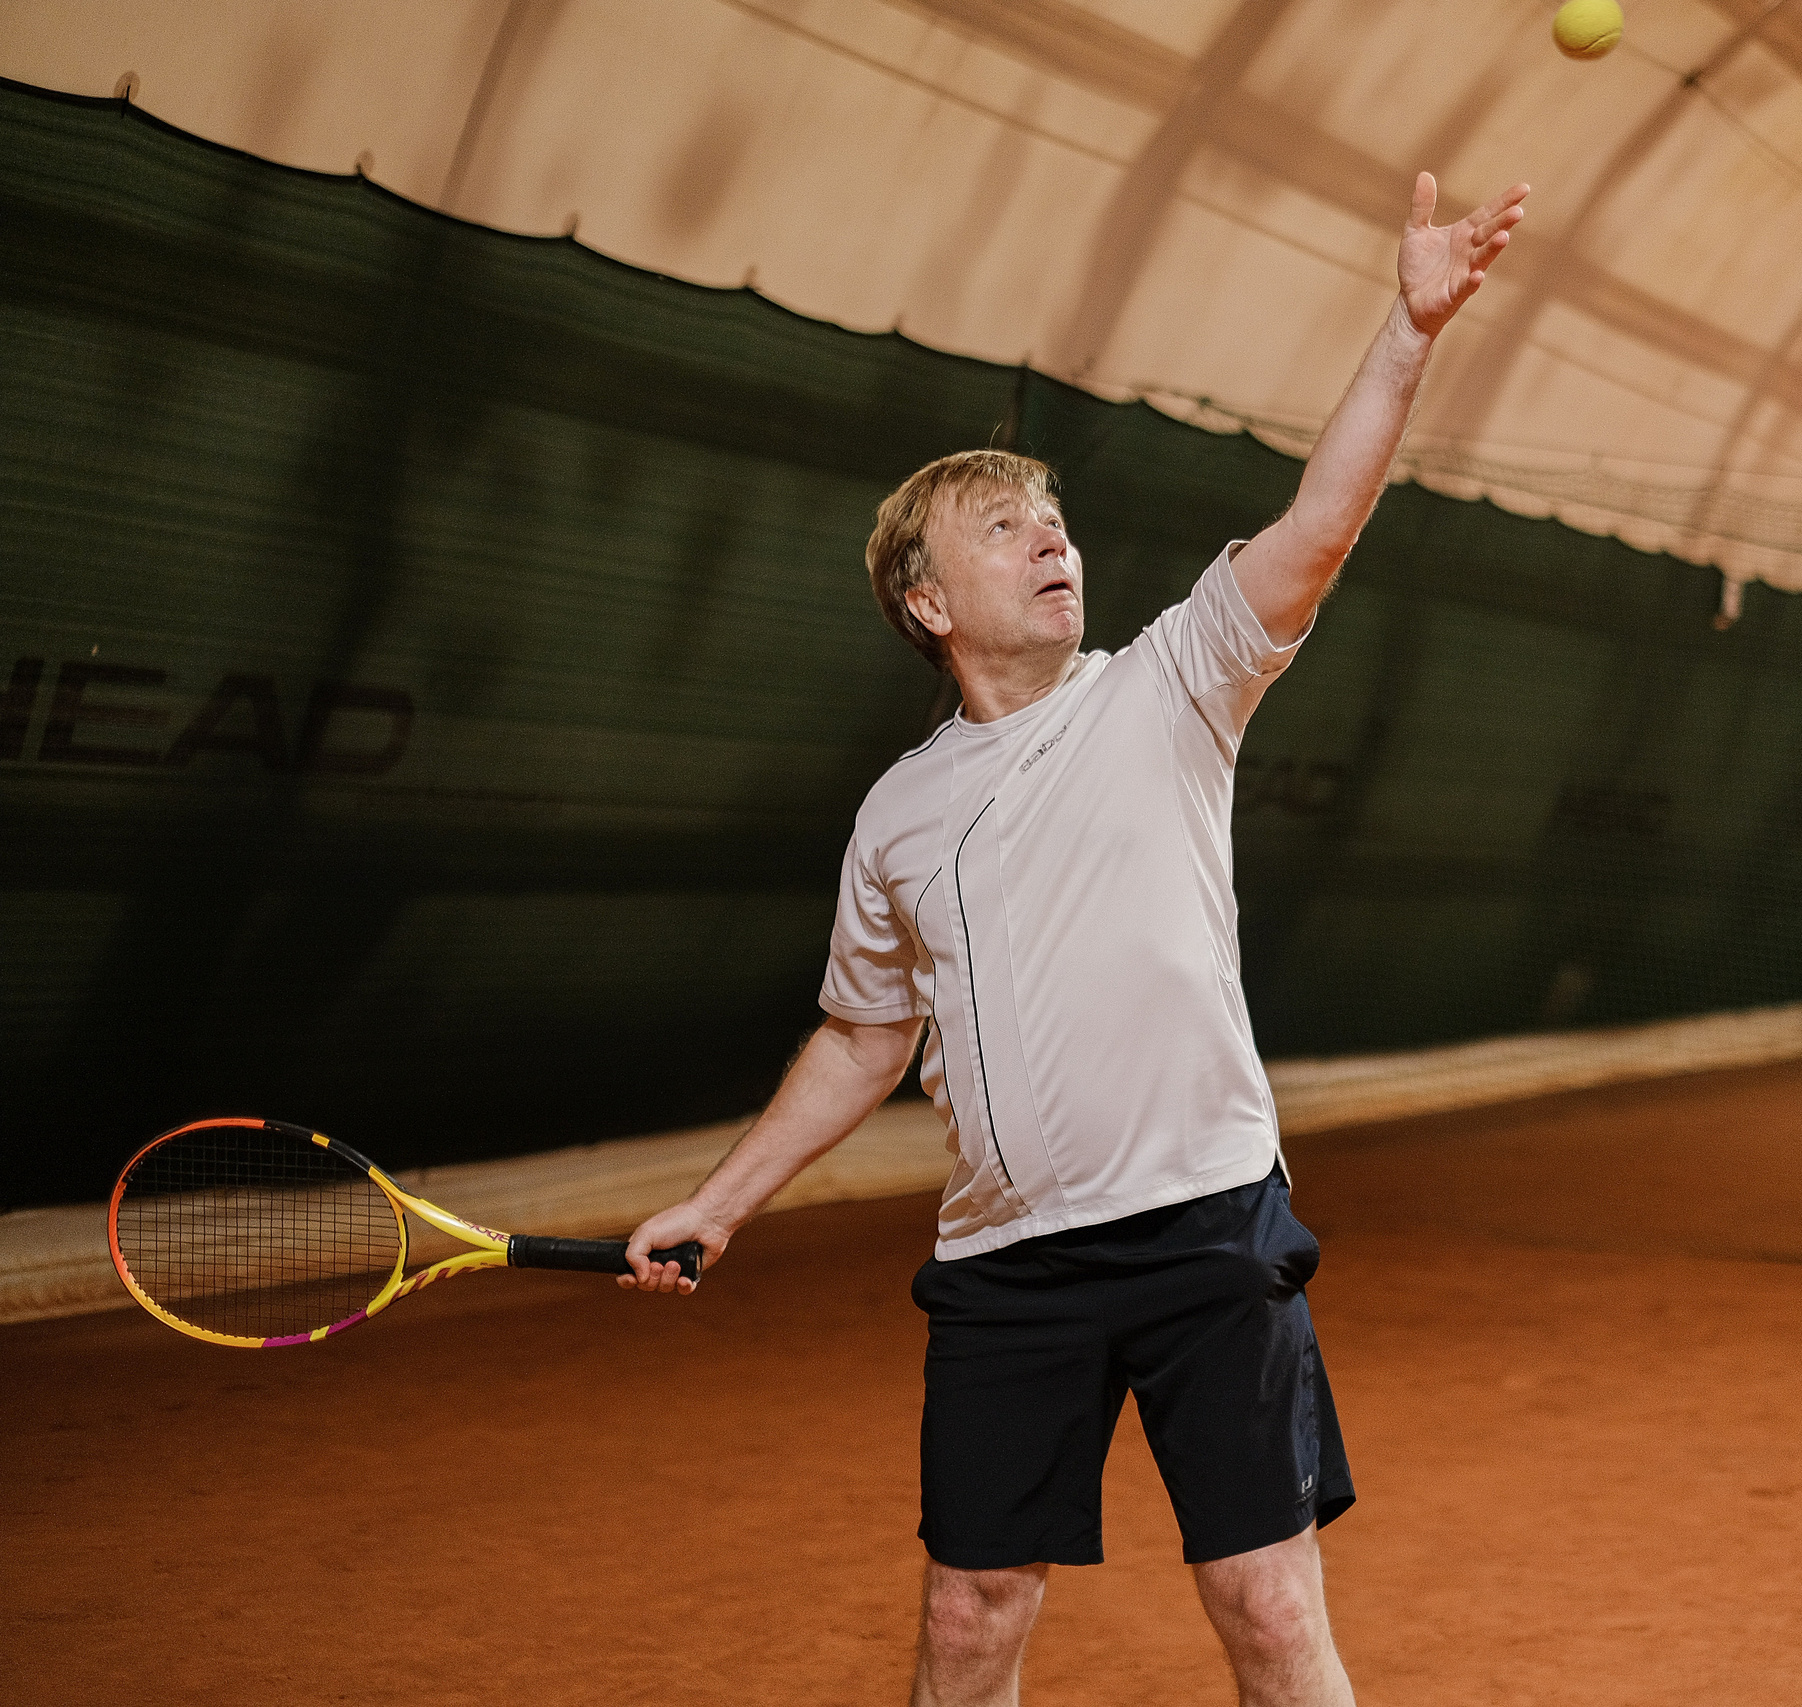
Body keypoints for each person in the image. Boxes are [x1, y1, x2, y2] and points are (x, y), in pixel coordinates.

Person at [618, 171, 1530, 1707]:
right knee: (972, 1611)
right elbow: (861, 1035)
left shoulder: (1171, 683)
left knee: (1266, 1601)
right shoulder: (898, 816)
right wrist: (722, 1201)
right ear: (925, 598)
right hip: (1004, 1263)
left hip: (1203, 1228)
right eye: (1004, 526)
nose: (1052, 541)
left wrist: (1407, 328)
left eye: (1056, 519)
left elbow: (1322, 518)